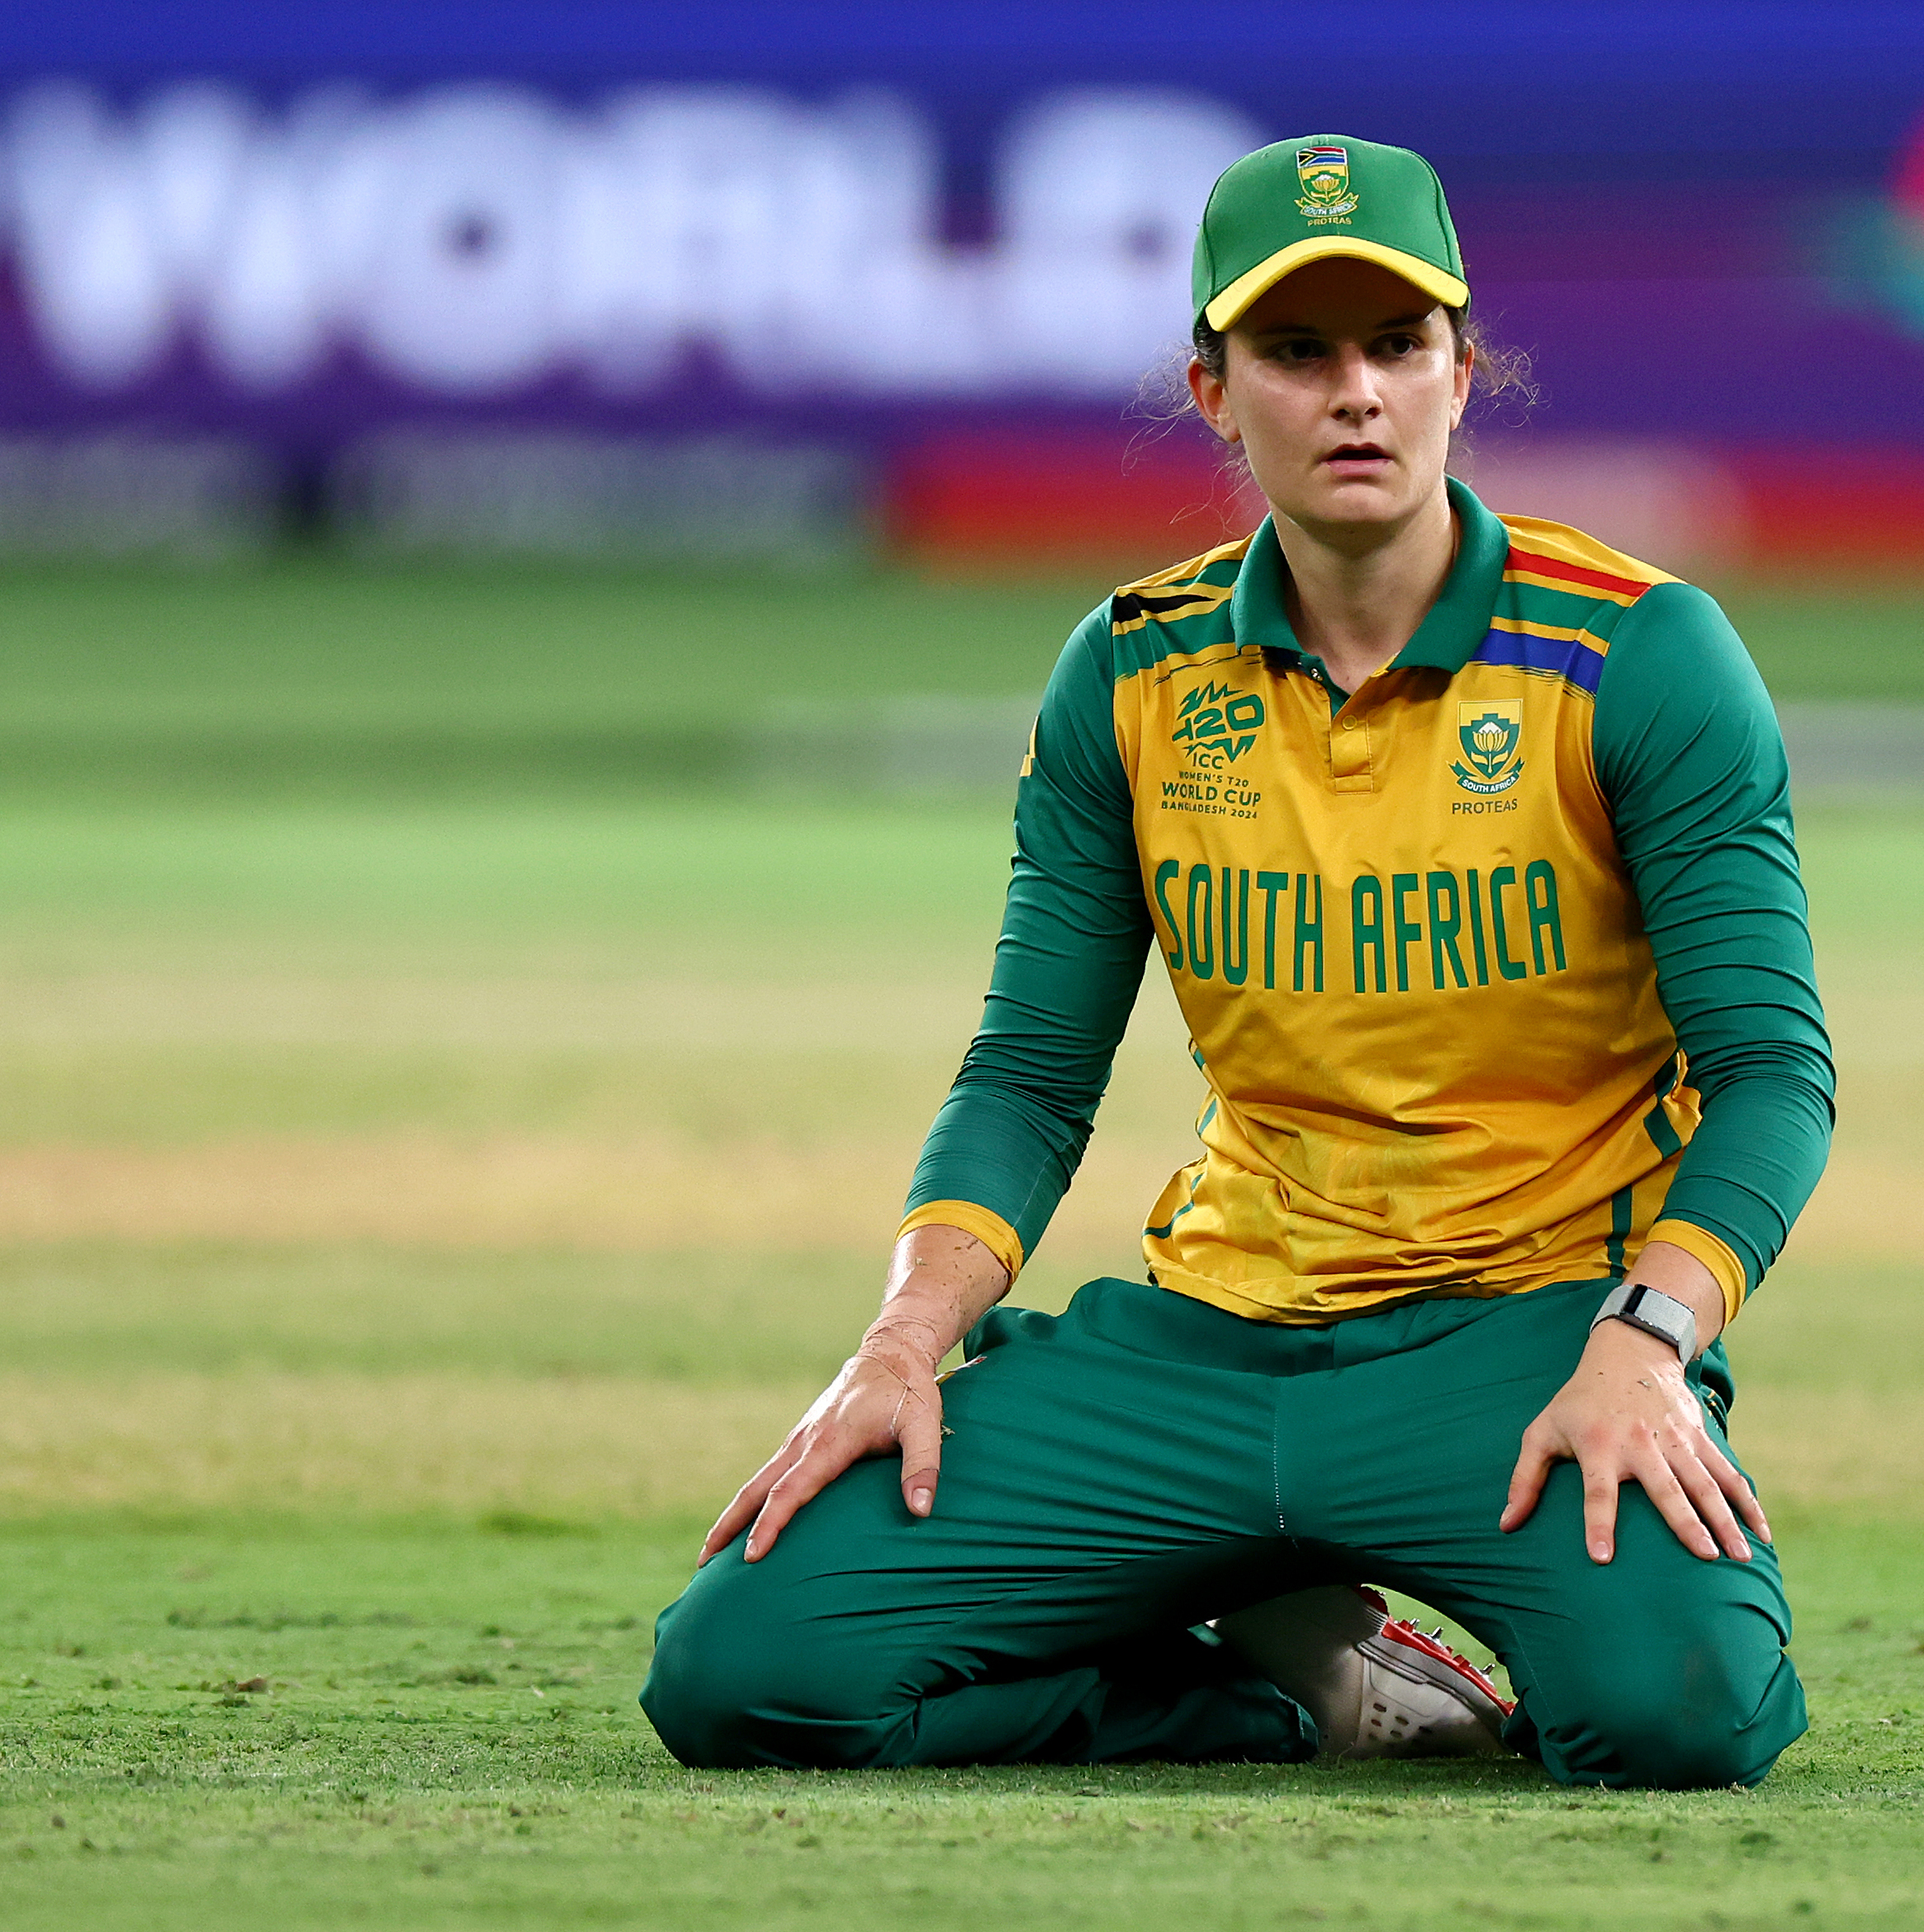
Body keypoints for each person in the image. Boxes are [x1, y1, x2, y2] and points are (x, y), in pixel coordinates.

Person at [640, 134, 1833, 1790]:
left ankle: (1325, 1585)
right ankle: (1279, 1688)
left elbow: (1772, 1076)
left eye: (1396, 344)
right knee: (744, 1677)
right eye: (1294, 350)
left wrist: (1646, 1344)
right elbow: (1027, 1078)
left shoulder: (1637, 651)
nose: (1354, 393)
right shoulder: (1131, 670)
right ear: (1212, 389)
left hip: (1533, 1336)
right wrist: (900, 1342)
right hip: (1207, 1347)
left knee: (1676, 1713)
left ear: (1461, 371)